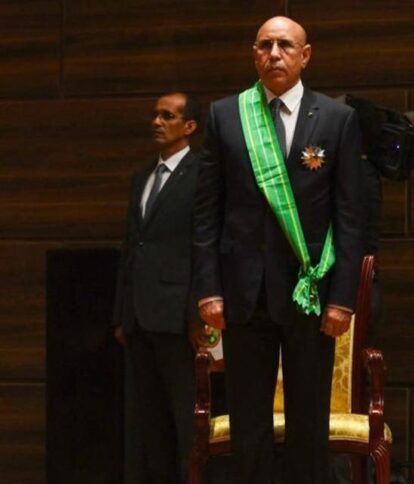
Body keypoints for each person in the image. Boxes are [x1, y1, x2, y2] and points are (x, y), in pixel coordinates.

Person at [192, 16, 365, 483]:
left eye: (285, 46)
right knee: (248, 423)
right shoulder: (226, 116)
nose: (274, 54)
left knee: (309, 422)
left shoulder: (337, 119)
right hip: (244, 292)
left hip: (310, 292)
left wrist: (343, 298)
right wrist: (208, 289)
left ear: (305, 56)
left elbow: (351, 218)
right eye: (265, 45)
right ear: (253, 54)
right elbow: (206, 213)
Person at [112, 91, 205, 483]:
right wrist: (122, 313)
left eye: (167, 116)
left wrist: (196, 314)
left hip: (178, 318)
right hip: (139, 317)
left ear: (189, 126)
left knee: (186, 421)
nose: (156, 122)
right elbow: (131, 247)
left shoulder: (202, 174)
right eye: (155, 115)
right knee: (149, 427)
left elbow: (204, 247)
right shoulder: (142, 177)